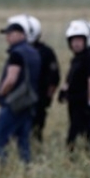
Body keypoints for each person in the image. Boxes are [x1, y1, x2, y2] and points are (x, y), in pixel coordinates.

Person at [0, 15, 41, 163]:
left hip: (13, 102)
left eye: (11, 34)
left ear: (21, 35)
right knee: (23, 140)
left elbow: (11, 79)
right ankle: (26, 167)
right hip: (28, 102)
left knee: (2, 140)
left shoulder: (16, 54)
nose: (7, 37)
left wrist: (2, 93)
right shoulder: (34, 52)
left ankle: (2, 167)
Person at [58, 19, 90, 153]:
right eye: (73, 40)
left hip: (85, 103)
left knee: (89, 135)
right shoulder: (77, 58)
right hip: (75, 103)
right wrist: (64, 90)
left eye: (79, 40)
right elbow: (71, 77)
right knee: (74, 133)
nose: (76, 44)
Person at [24, 15, 61, 143]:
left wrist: (47, 98)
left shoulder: (46, 52)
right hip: (20, 98)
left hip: (38, 98)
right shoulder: (18, 51)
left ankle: (34, 147)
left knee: (36, 129)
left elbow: (54, 78)